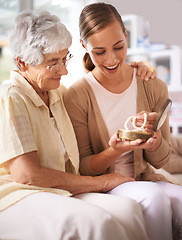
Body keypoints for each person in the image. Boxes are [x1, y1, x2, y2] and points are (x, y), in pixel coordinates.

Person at [0, 9, 156, 240]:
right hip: (22, 193)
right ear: (23, 63)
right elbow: (27, 175)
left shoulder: (57, 93)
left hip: (61, 189)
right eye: (54, 63)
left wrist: (132, 68)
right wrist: (100, 182)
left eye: (65, 58)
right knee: (97, 222)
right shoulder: (11, 97)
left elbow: (96, 80)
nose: (64, 70)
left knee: (129, 210)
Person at [64, 2, 182, 240]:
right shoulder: (77, 95)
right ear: (83, 46)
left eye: (118, 47)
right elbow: (83, 167)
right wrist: (114, 150)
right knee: (154, 198)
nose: (111, 59)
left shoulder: (153, 85)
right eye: (99, 52)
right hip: (105, 184)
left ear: (126, 35)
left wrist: (155, 142)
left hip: (143, 178)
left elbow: (161, 161)